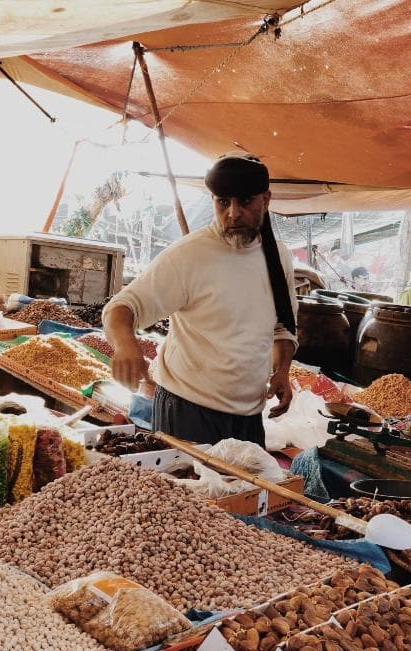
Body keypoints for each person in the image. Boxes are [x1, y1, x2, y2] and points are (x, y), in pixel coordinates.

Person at [103, 152, 298, 447]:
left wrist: (282, 371)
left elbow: (284, 326)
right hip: (187, 411)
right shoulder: (189, 255)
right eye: (222, 202)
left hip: (249, 417)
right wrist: (125, 345)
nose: (232, 213)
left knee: (242, 493)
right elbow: (121, 307)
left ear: (265, 200)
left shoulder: (278, 256)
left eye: (244, 202)